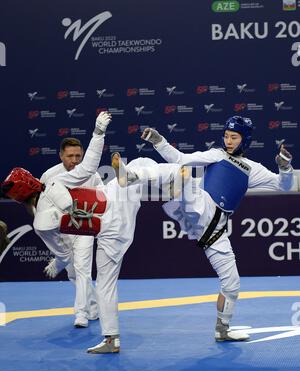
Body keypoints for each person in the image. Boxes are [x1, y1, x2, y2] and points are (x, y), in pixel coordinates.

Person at [113, 115, 294, 342]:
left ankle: (222, 329)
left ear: (245, 140)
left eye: (234, 137)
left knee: (232, 283)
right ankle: (132, 176)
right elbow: (180, 157)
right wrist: (158, 141)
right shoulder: (216, 155)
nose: (228, 141)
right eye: (226, 136)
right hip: (201, 207)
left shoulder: (253, 169)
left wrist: (285, 168)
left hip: (216, 230)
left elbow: (283, 185)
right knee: (181, 172)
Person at [0, 112, 158, 354]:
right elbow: (89, 165)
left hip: (111, 234)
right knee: (140, 165)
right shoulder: (56, 181)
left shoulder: (41, 223)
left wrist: (60, 262)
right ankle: (176, 180)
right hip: (118, 202)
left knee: (102, 283)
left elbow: (63, 254)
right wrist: (98, 133)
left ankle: (109, 337)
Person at [40, 137, 102, 328]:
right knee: (73, 273)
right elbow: (39, 206)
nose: (75, 160)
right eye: (70, 156)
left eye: (78, 156)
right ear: (61, 156)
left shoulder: (92, 175)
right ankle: (93, 308)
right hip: (61, 230)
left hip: (84, 228)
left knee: (83, 269)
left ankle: (80, 314)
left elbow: (102, 201)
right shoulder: (48, 176)